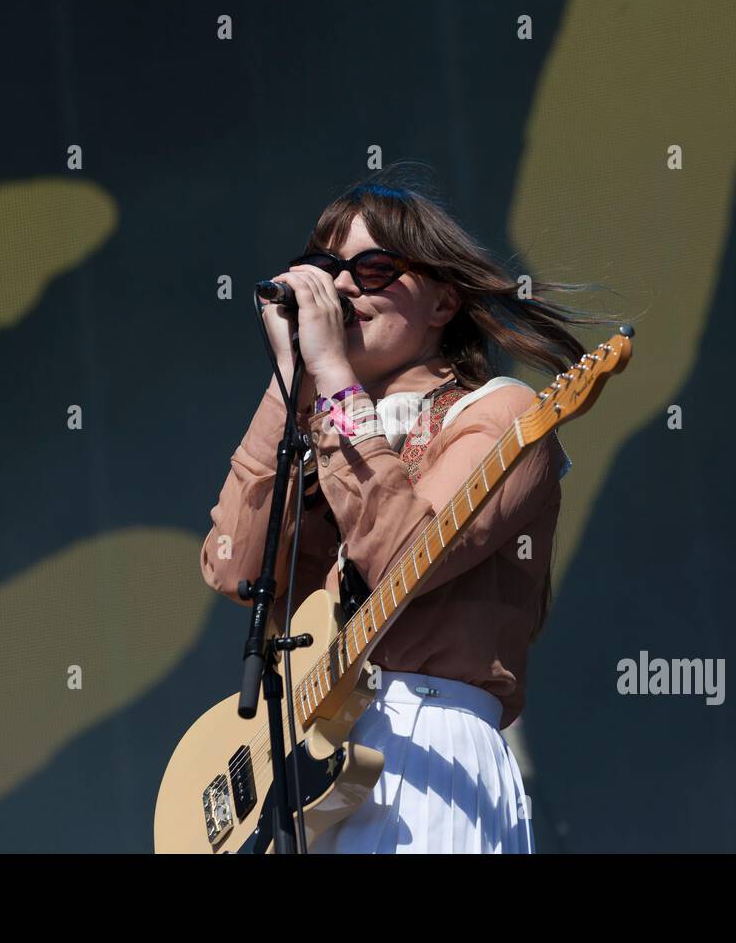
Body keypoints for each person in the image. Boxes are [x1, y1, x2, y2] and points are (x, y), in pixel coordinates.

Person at [199, 174, 608, 853]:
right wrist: (289, 383)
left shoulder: (502, 414)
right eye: (328, 272)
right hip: (313, 762)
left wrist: (332, 377)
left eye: (374, 268)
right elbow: (235, 569)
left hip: (430, 753)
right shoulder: (321, 434)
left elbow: (399, 557)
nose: (344, 290)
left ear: (445, 299)